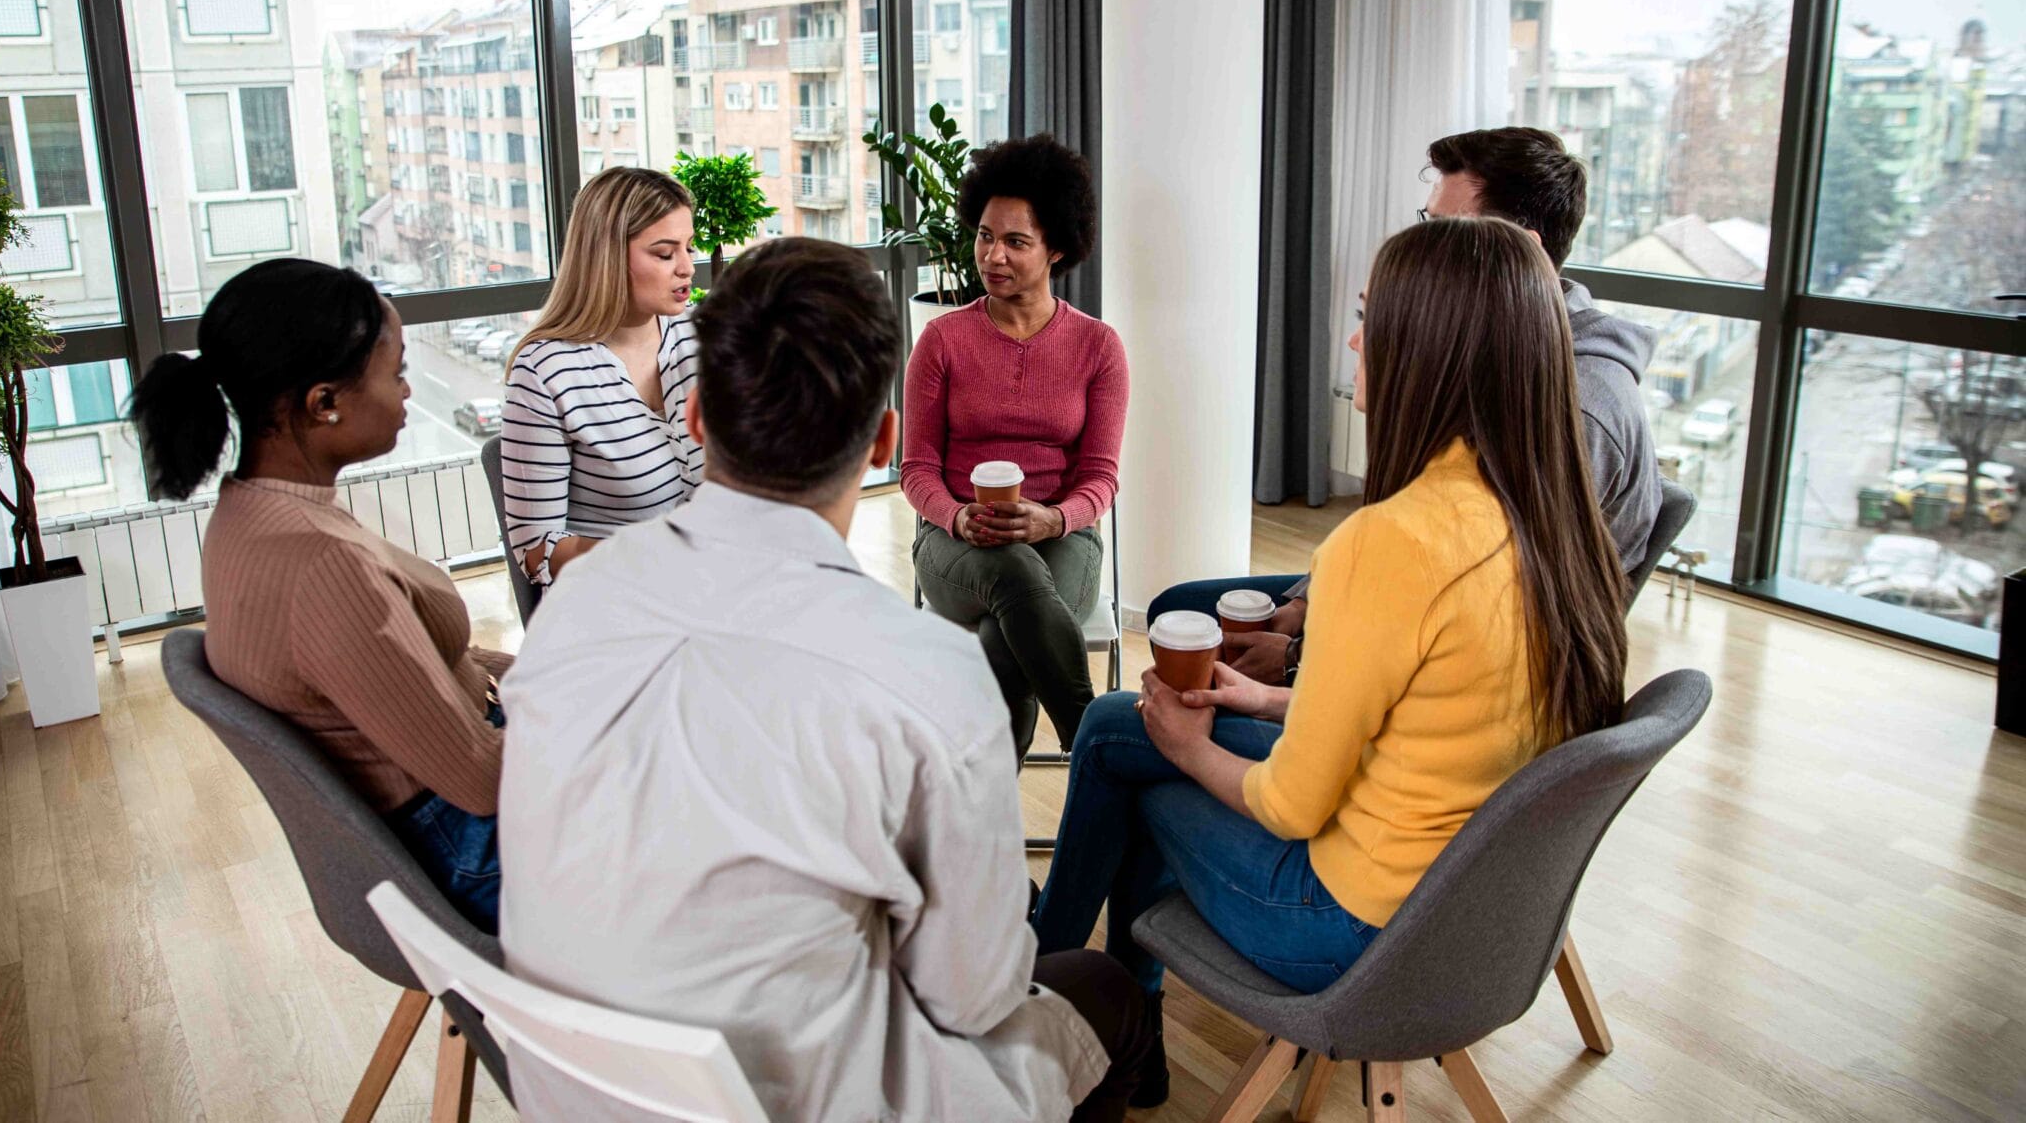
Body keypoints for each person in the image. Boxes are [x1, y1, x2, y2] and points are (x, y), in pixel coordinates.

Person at [497, 237, 1153, 1122]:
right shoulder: (926, 676)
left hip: (578, 1088)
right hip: (798, 1103)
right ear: (884, 441)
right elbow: (973, 998)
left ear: (696, 419)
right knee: (1107, 992)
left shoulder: (572, 605)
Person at [1033, 218, 1631, 1106]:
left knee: (1140, 761)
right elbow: (1439, 715)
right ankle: (1094, 1010)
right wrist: (1270, 704)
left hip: (1352, 928)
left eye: (1366, 318)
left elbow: (1292, 805)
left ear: (1428, 349)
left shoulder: (1393, 542)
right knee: (1123, 725)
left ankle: (1068, 999)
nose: (1354, 343)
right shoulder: (1561, 523)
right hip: (1472, 919)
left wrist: (1190, 750)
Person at [1153, 126, 1660, 685]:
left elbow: (1476, 615)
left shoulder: (1575, 408)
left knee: (1125, 719)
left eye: (1444, 230)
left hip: (1487, 678)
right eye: (1426, 223)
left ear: (1520, 251)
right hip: (1421, 622)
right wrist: (1304, 605)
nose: (1422, 248)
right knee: (1178, 609)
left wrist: (1298, 658)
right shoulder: (1492, 348)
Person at [129, 260, 508, 931]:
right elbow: (479, 781)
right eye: (395, 373)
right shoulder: (322, 566)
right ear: (323, 401)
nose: (406, 390)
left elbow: (402, 668)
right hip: (478, 853)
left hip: (444, 818)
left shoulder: (254, 514)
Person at [903, 134, 1129, 757]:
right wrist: (957, 516)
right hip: (953, 543)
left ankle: (988, 796)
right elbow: (916, 469)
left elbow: (1101, 478)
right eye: (984, 236)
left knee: (1007, 636)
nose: (992, 255)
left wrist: (1053, 518)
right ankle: (1098, 745)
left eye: (1015, 242)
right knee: (1014, 576)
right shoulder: (942, 341)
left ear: (1056, 248)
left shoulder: (1098, 347)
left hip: (1063, 539)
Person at [499, 166, 704, 588]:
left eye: (689, 247)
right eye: (665, 254)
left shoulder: (704, 336)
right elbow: (535, 552)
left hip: (706, 590)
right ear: (607, 257)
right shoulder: (545, 372)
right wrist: (647, 554)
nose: (687, 267)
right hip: (613, 599)